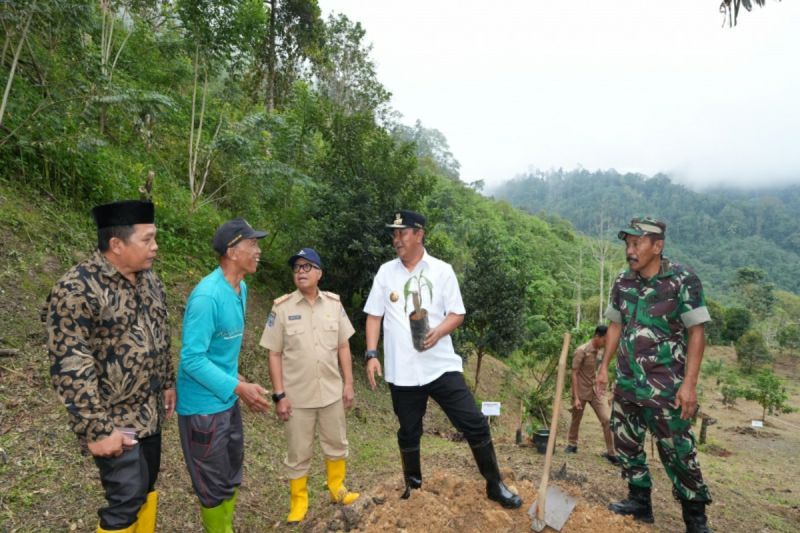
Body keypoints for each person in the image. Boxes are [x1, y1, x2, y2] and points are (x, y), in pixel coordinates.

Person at [363, 210, 522, 509]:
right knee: (409, 430)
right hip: (402, 372)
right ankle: (414, 487)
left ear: (419, 234)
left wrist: (438, 332)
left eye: (403, 233)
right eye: (394, 234)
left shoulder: (442, 270)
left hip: (440, 366)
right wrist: (371, 353)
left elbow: (457, 313)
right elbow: (374, 315)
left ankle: (494, 484)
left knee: (474, 423)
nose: (396, 239)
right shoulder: (386, 273)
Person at [44, 200, 173, 533]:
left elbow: (160, 334)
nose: (155, 247)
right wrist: (97, 429)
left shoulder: (150, 281)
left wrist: (168, 381)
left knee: (145, 488)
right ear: (116, 244)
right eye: (147, 239)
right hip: (112, 419)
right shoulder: (77, 288)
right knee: (126, 498)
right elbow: (70, 364)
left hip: (150, 413)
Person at [595, 217, 712, 533]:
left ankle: (695, 519)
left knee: (678, 451)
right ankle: (639, 501)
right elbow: (616, 325)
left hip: (666, 386)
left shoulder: (682, 281)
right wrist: (604, 367)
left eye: (637, 244)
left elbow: (697, 332)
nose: (630, 250)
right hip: (628, 381)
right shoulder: (623, 281)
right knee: (626, 443)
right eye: (627, 244)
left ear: (657, 246)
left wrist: (690, 385)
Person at [176, 218, 271, 532]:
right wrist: (237, 388)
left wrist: (238, 380)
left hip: (226, 401)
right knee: (212, 485)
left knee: (231, 473)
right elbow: (191, 358)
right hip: (203, 408)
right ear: (232, 251)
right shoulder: (207, 297)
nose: (258, 250)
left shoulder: (240, 288)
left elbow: (217, 352)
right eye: (252, 243)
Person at [259, 248, 359, 524]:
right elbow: (274, 354)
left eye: (306, 266)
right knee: (298, 451)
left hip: (331, 393)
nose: (300, 272)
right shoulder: (282, 308)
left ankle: (337, 489)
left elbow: (343, 345)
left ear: (319, 273)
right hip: (297, 396)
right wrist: (279, 395)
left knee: (337, 444)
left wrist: (348, 383)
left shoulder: (334, 305)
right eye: (296, 268)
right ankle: (299, 501)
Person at [565, 325, 619, 465]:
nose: (606, 342)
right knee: (576, 419)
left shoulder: (600, 353)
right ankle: (572, 444)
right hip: (581, 391)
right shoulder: (581, 351)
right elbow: (574, 374)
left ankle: (611, 452)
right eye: (604, 340)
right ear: (597, 337)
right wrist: (576, 397)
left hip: (594, 391)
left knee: (606, 420)